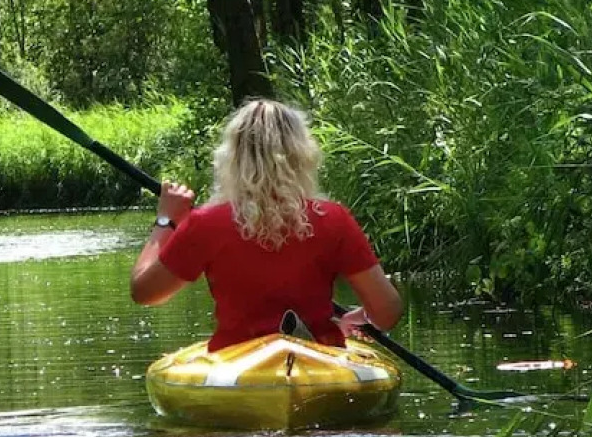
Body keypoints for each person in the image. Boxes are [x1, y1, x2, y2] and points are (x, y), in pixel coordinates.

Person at [130, 98, 401, 350]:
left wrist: (166, 220)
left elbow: (145, 293)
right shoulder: (333, 218)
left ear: (232, 158)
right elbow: (387, 312)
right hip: (318, 357)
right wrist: (363, 315)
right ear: (302, 155)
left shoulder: (206, 223)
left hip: (237, 362)